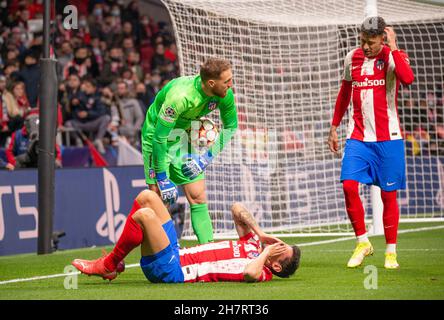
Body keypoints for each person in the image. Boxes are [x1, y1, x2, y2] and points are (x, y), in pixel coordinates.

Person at [327, 17, 414, 269]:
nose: (365, 47)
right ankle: (363, 241)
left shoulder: (392, 56)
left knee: (388, 195)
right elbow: (344, 93)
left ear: (382, 38)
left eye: (371, 42)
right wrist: (334, 127)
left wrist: (394, 46)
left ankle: (390, 251)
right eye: (362, 41)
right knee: (349, 186)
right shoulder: (351, 58)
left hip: (389, 139)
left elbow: (407, 79)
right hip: (358, 138)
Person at [72, 189, 301, 283]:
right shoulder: (252, 244)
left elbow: (250, 274)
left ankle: (109, 264)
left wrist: (268, 252)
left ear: (277, 266)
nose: (278, 244)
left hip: (171, 270)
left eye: (281, 248)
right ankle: (111, 265)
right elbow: (237, 208)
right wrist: (261, 234)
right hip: (177, 252)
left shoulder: (262, 271)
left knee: (144, 216)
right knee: (148, 197)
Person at [141, 57, 238, 244]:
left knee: (198, 196)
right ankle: (169, 254)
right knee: (158, 201)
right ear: (211, 83)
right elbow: (159, 138)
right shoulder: (180, 97)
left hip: (184, 133)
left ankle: (209, 252)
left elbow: (231, 127)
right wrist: (161, 177)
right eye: (226, 81)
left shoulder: (225, 95)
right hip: (156, 135)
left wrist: (204, 159)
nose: (230, 85)